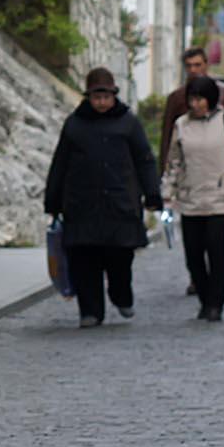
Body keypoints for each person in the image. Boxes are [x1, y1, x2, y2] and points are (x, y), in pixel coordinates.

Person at [43, 67, 163, 328]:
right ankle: (90, 311)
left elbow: (144, 160)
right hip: (81, 205)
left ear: (113, 96)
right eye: (96, 97)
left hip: (120, 204)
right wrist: (53, 200)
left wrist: (152, 193)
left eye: (105, 97)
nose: (101, 102)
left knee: (119, 259)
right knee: (84, 262)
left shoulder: (128, 123)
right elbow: (60, 164)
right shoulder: (74, 124)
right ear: (88, 97)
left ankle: (121, 296)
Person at [163, 75, 224, 322]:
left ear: (211, 99)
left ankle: (216, 303)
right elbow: (175, 161)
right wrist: (167, 191)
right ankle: (204, 298)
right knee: (193, 253)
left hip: (220, 195)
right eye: (192, 99)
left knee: (215, 248)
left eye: (200, 98)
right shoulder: (182, 125)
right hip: (190, 196)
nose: (196, 104)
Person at [157, 47, 224, 168]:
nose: (193, 69)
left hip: (219, 157)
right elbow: (167, 135)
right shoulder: (176, 97)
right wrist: (165, 167)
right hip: (189, 159)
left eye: (197, 65)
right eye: (189, 66)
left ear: (206, 65)